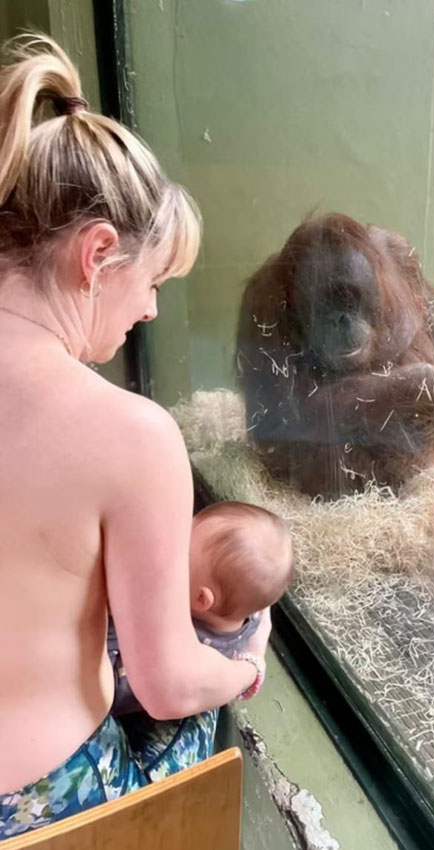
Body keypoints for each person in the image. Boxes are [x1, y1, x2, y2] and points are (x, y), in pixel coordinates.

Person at [0, 34, 272, 839]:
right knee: (215, 669)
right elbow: (165, 685)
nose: (150, 309)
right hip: (34, 802)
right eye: (151, 281)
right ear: (97, 255)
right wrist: (245, 667)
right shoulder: (131, 434)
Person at [108, 501, 294, 716]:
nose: (169, 545)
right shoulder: (251, 616)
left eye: (179, 551)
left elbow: (116, 690)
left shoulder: (188, 657)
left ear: (201, 598)